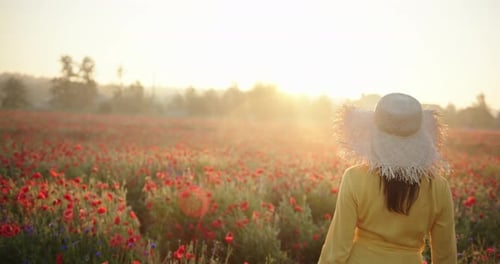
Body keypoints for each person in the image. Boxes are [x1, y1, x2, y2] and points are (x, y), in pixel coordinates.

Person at [318, 93, 457, 264]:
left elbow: (336, 251)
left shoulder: (355, 178)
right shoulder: (439, 188)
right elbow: (446, 257)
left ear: (373, 133)